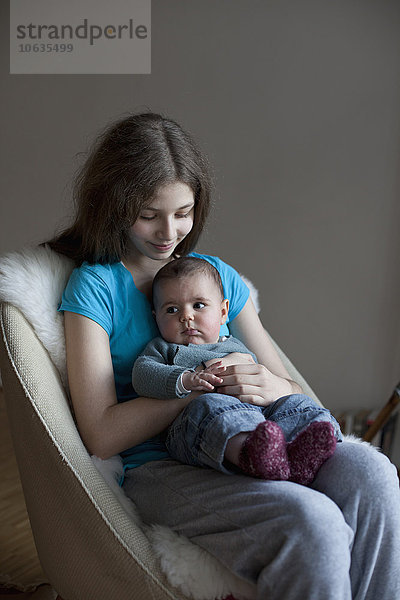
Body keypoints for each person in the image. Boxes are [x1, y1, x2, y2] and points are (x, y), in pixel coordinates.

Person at [51, 112, 400, 599]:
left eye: (184, 212)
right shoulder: (96, 287)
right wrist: (199, 384)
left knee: (375, 474)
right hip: (163, 467)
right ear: (115, 203)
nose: (168, 232)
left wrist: (271, 386)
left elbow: (293, 388)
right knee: (312, 522)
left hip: (259, 435)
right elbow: (102, 433)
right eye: (149, 214)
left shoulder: (214, 277)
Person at [132, 255, 342, 484]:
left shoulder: (235, 345)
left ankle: (312, 441)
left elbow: (267, 383)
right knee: (209, 405)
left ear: (223, 312)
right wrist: (185, 380)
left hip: (260, 418)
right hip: (194, 426)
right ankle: (251, 455)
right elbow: (142, 374)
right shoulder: (164, 348)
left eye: (199, 305)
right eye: (171, 310)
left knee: (294, 403)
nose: (186, 316)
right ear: (156, 318)